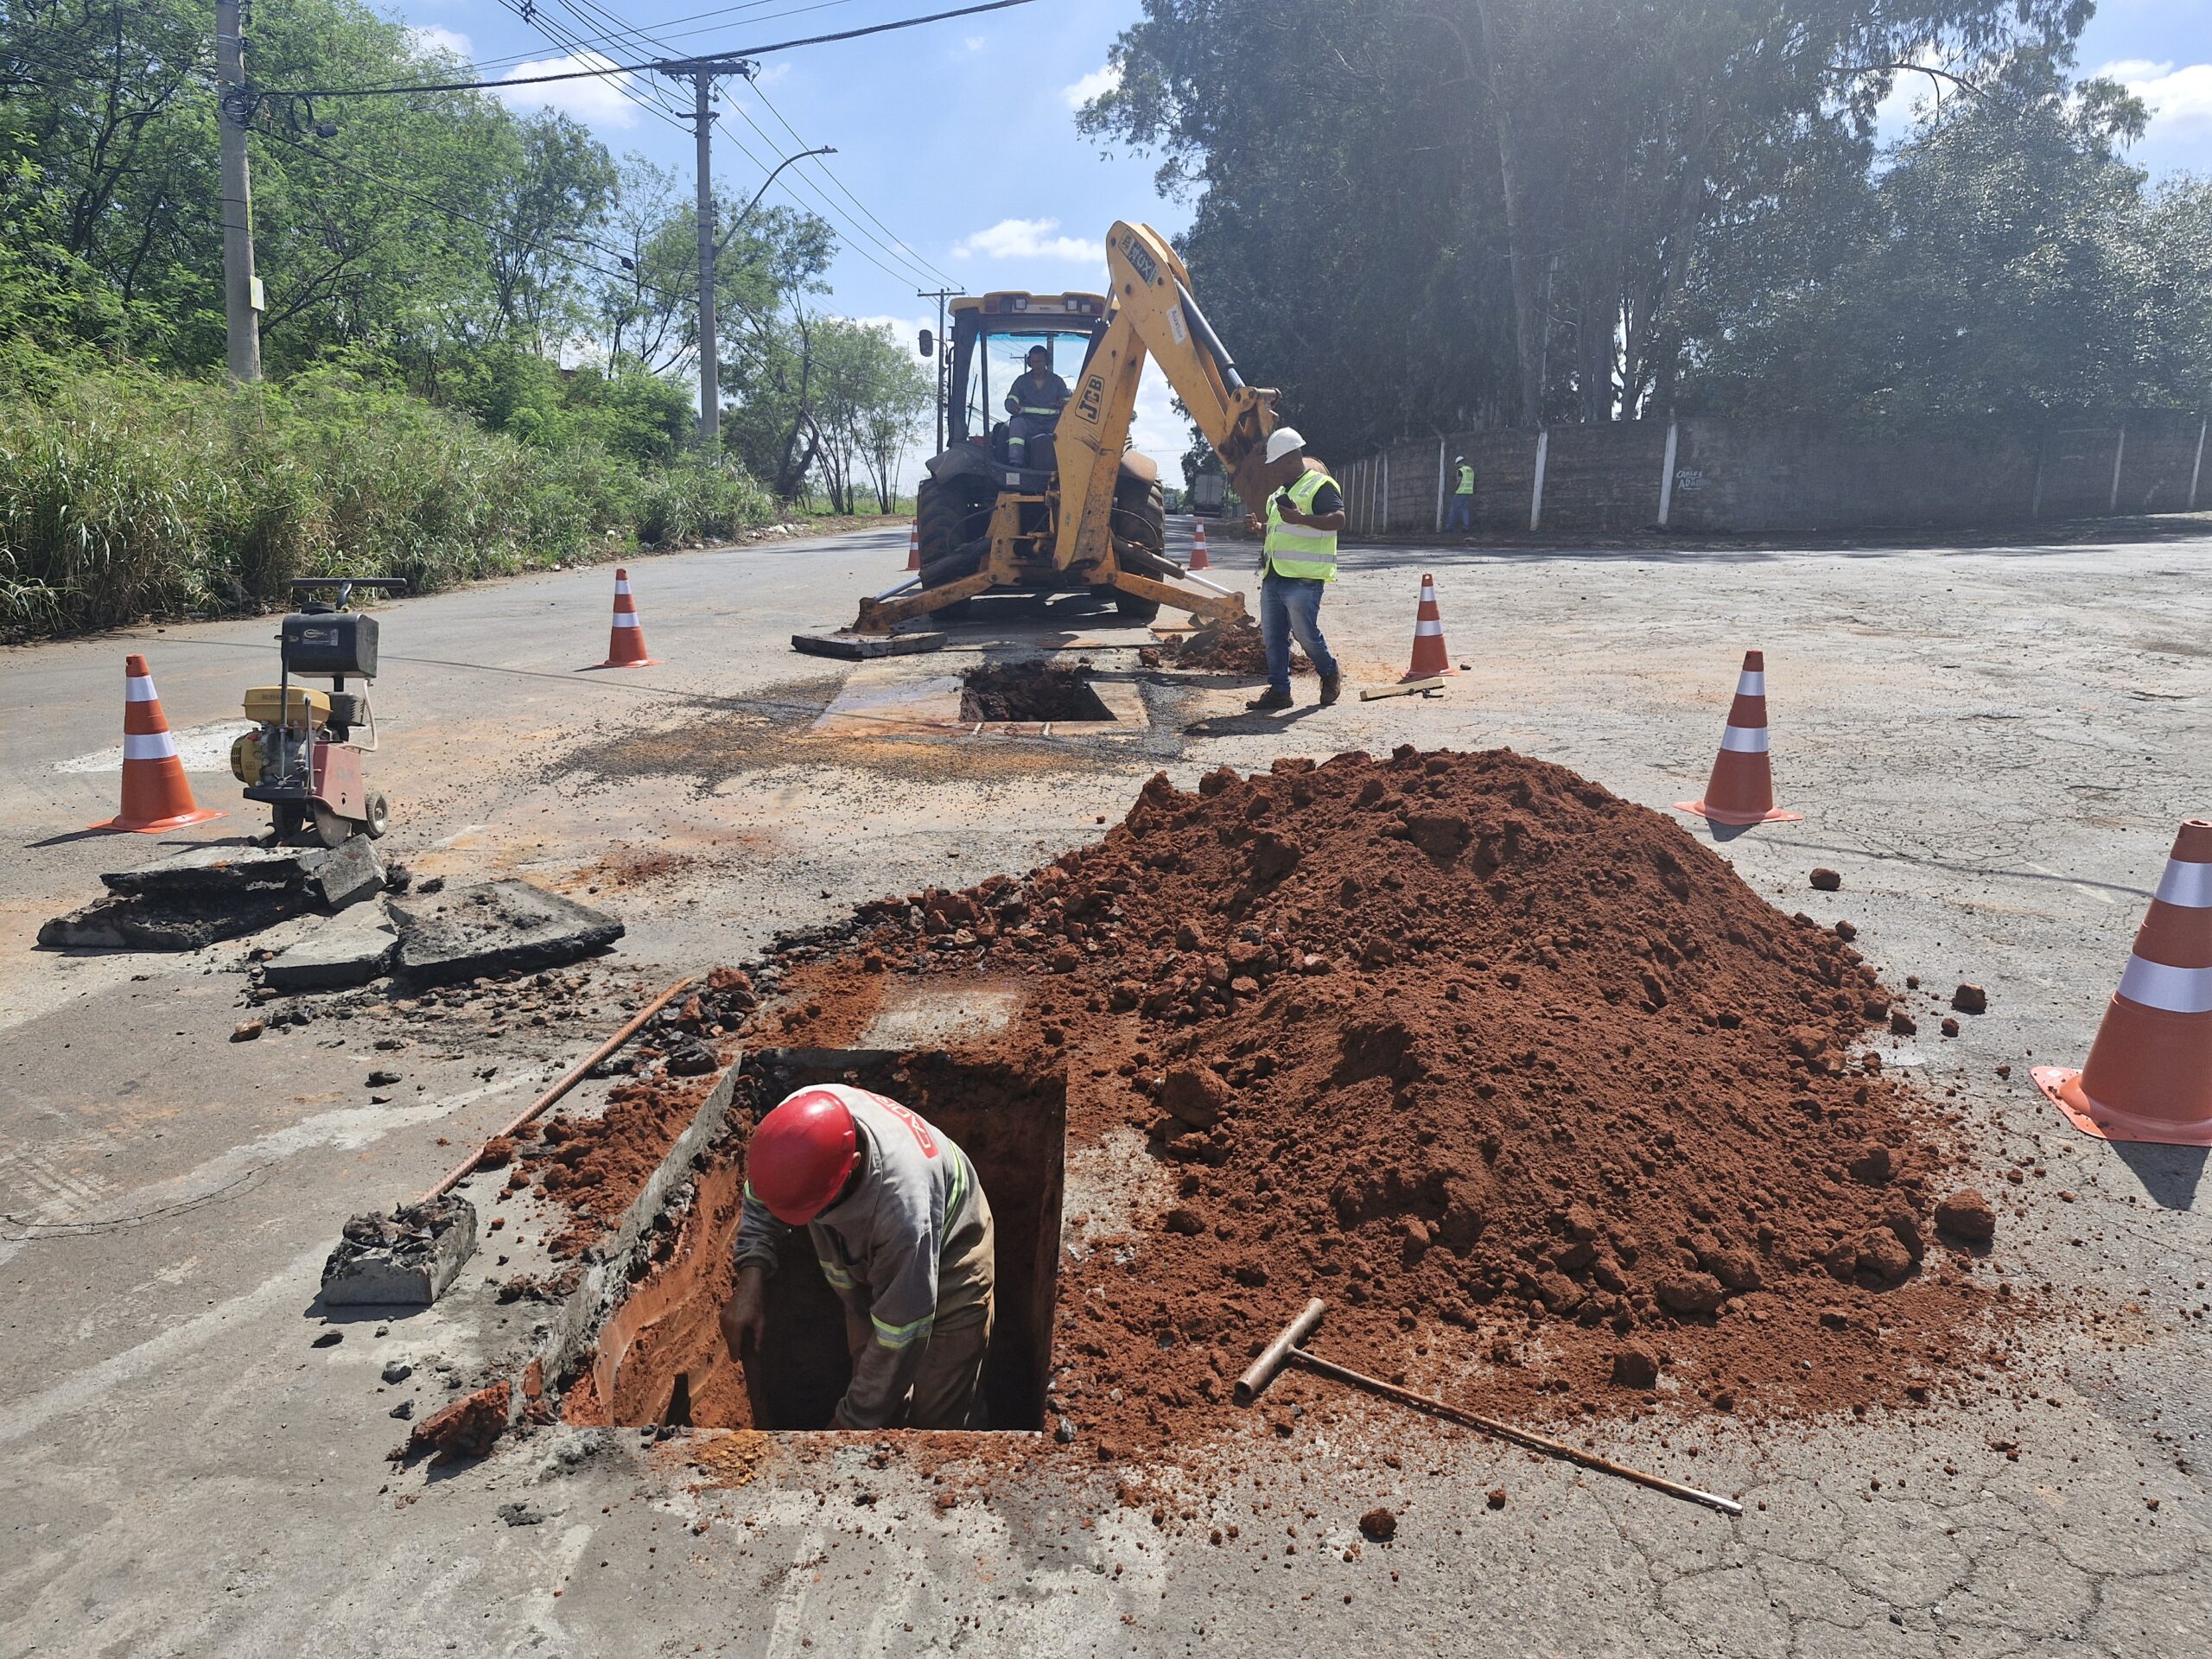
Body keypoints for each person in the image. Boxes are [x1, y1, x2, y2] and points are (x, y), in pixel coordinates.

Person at [720, 1084, 995, 1430]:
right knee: (875, 1384)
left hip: (951, 1246)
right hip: (881, 1255)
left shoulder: (903, 1214)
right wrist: (750, 1277)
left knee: (937, 1422)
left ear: (852, 1166)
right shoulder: (792, 1128)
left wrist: (848, 1425)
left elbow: (900, 1334)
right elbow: (763, 1198)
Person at [1242, 425, 1344, 711]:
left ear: (1289, 459)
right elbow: (1280, 531)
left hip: (1303, 579)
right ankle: (1279, 691)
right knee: (1273, 637)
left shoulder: (1320, 486)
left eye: (1275, 464)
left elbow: (1338, 520)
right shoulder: (1280, 493)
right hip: (1275, 575)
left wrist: (1301, 518)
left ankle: (1329, 672)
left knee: (1304, 633)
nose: (1272, 470)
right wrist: (1259, 528)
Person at [1002, 344, 1068, 467]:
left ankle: (1066, 464)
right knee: (1016, 424)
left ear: (1046, 361)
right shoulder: (1021, 381)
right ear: (1029, 362)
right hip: (1029, 422)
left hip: (1053, 423)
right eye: (1034, 362)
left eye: (1040, 361)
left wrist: (1064, 402)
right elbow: (1011, 398)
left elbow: (1068, 399)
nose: (1037, 365)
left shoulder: (1057, 381)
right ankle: (1016, 462)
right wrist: (1011, 405)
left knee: (1068, 427)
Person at [1446, 454, 1475, 532]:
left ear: (1458, 463)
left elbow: (1458, 481)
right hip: (1468, 493)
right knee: (1464, 509)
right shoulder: (1470, 470)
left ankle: (1449, 527)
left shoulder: (1461, 470)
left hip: (1461, 493)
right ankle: (1466, 526)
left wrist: (1455, 490)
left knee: (1453, 509)